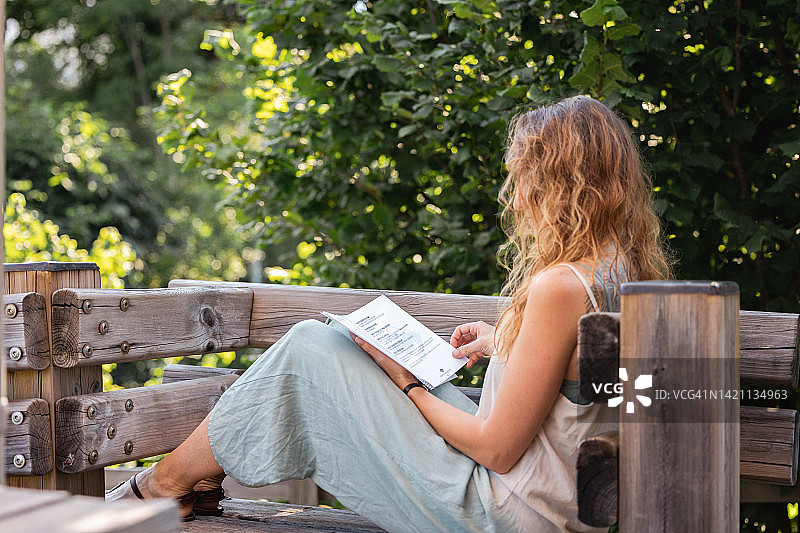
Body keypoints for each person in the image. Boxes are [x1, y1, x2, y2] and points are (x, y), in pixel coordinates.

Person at [107, 95, 671, 532]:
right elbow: (572, 390)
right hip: (557, 508)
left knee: (309, 350)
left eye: (525, 180)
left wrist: (405, 382)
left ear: (563, 186)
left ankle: (161, 488)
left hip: (505, 515)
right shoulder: (622, 271)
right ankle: (184, 482)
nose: (516, 199)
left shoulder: (559, 286)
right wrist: (502, 341)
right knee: (330, 345)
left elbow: (499, 450)